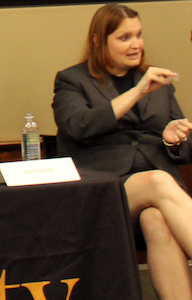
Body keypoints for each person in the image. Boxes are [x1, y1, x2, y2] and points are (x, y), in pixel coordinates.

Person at [52, 4, 188, 298]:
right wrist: (137, 91)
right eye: (124, 37)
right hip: (103, 196)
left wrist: (171, 139)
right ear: (99, 40)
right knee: (157, 180)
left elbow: (186, 147)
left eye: (138, 35)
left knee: (156, 219)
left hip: (160, 199)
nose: (136, 44)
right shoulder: (72, 80)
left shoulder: (158, 83)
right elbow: (78, 125)